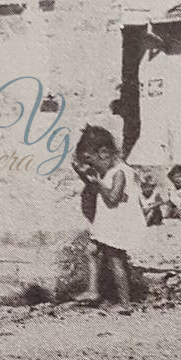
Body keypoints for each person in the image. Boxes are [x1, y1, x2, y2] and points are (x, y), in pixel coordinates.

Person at [73, 126, 145, 309]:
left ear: (104, 153)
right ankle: (93, 290)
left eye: (92, 160)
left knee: (115, 260)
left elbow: (113, 198)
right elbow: (98, 184)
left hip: (117, 224)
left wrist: (97, 182)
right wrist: (83, 172)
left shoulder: (120, 171)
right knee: (91, 251)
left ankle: (125, 303)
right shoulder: (108, 171)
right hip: (108, 223)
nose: (92, 166)